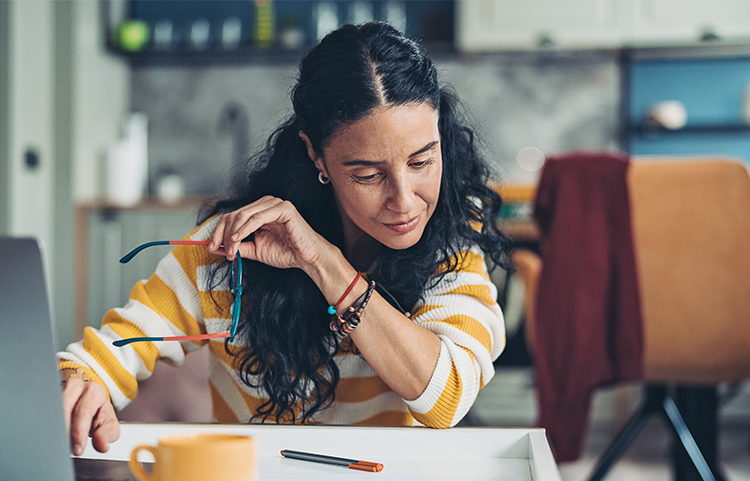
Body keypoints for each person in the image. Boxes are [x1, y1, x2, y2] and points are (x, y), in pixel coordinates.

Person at [58, 22, 511, 456]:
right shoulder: (236, 247)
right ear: (316, 154)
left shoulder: (452, 242)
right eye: (368, 174)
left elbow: (447, 397)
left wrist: (325, 263)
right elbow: (118, 345)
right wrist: (83, 381)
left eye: (421, 162)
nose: (405, 201)